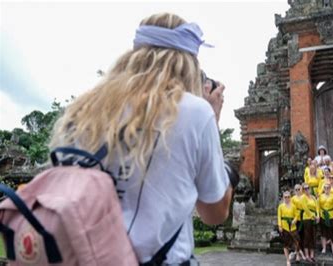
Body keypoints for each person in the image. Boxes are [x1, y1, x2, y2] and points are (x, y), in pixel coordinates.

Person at [49, 13, 234, 265]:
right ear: (188, 63)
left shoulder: (85, 108)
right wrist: (212, 118)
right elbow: (214, 212)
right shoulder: (195, 112)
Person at [278, 191, 304, 266]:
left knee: (297, 242)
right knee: (286, 244)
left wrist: (294, 221)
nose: (287, 198)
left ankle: (298, 255)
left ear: (290, 197)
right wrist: (280, 226)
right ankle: (288, 260)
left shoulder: (293, 206)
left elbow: (296, 215)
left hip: (293, 227)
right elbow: (279, 217)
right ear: (283, 198)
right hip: (285, 227)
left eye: (288, 197)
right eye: (285, 197)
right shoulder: (281, 206)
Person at [301, 183, 319, 262]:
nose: (306, 190)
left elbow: (317, 207)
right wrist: (313, 216)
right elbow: (305, 209)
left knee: (313, 236)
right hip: (307, 218)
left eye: (307, 188)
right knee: (307, 236)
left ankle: (312, 254)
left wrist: (318, 215)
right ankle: (307, 254)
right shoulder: (303, 198)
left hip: (314, 218)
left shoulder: (313, 198)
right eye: (305, 189)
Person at [319, 184, 333, 255]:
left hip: (330, 215)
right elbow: (319, 207)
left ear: (330, 189)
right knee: (323, 233)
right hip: (323, 215)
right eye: (325, 188)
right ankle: (324, 248)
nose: (327, 189)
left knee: (331, 233)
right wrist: (320, 215)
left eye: (328, 188)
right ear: (323, 189)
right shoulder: (321, 196)